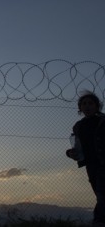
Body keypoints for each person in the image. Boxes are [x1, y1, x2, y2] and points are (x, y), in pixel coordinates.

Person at [66, 91, 105, 226]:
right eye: (84, 104)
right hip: (91, 165)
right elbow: (78, 147)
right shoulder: (78, 126)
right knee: (100, 194)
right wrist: (70, 153)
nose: (87, 106)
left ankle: (98, 221)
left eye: (90, 103)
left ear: (96, 106)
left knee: (102, 195)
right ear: (80, 108)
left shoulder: (103, 121)